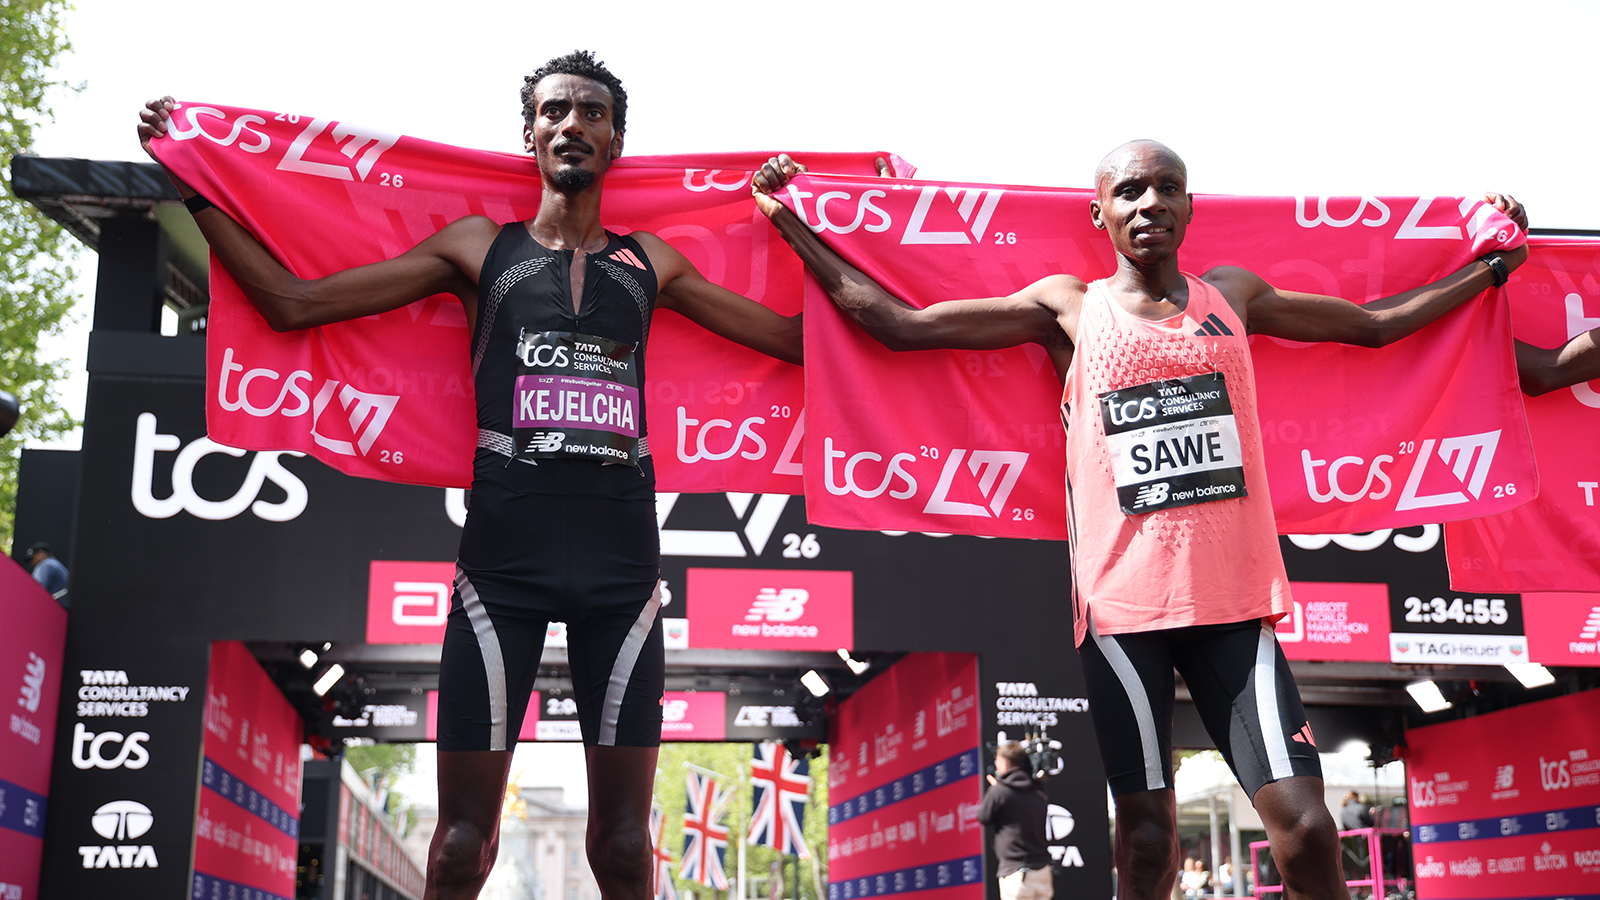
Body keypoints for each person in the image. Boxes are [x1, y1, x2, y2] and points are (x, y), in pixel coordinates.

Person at [751, 142, 1530, 900]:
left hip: (1234, 604)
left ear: (1190, 207)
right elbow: (899, 325)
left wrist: (1488, 266)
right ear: (1100, 213)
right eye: (1128, 191)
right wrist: (793, 223)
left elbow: (1378, 324)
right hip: (1125, 612)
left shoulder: (1235, 294)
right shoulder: (1068, 306)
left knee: (1310, 832)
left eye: (1166, 187)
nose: (1149, 201)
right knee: (1149, 839)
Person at [140, 51, 808, 900]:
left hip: (622, 570)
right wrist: (196, 184)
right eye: (555, 111)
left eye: (591, 114)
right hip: (503, 568)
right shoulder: (476, 249)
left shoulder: (655, 264)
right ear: (529, 135)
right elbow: (293, 304)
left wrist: (791, 220)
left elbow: (792, 342)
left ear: (616, 141)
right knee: (459, 848)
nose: (572, 124)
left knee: (625, 851)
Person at [979, 742, 1053, 900]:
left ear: (1004, 764)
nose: (995, 764)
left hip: (1016, 873)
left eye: (997, 761)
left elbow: (984, 817)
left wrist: (995, 789)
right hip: (1043, 872)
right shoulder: (1038, 788)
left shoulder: (999, 791)